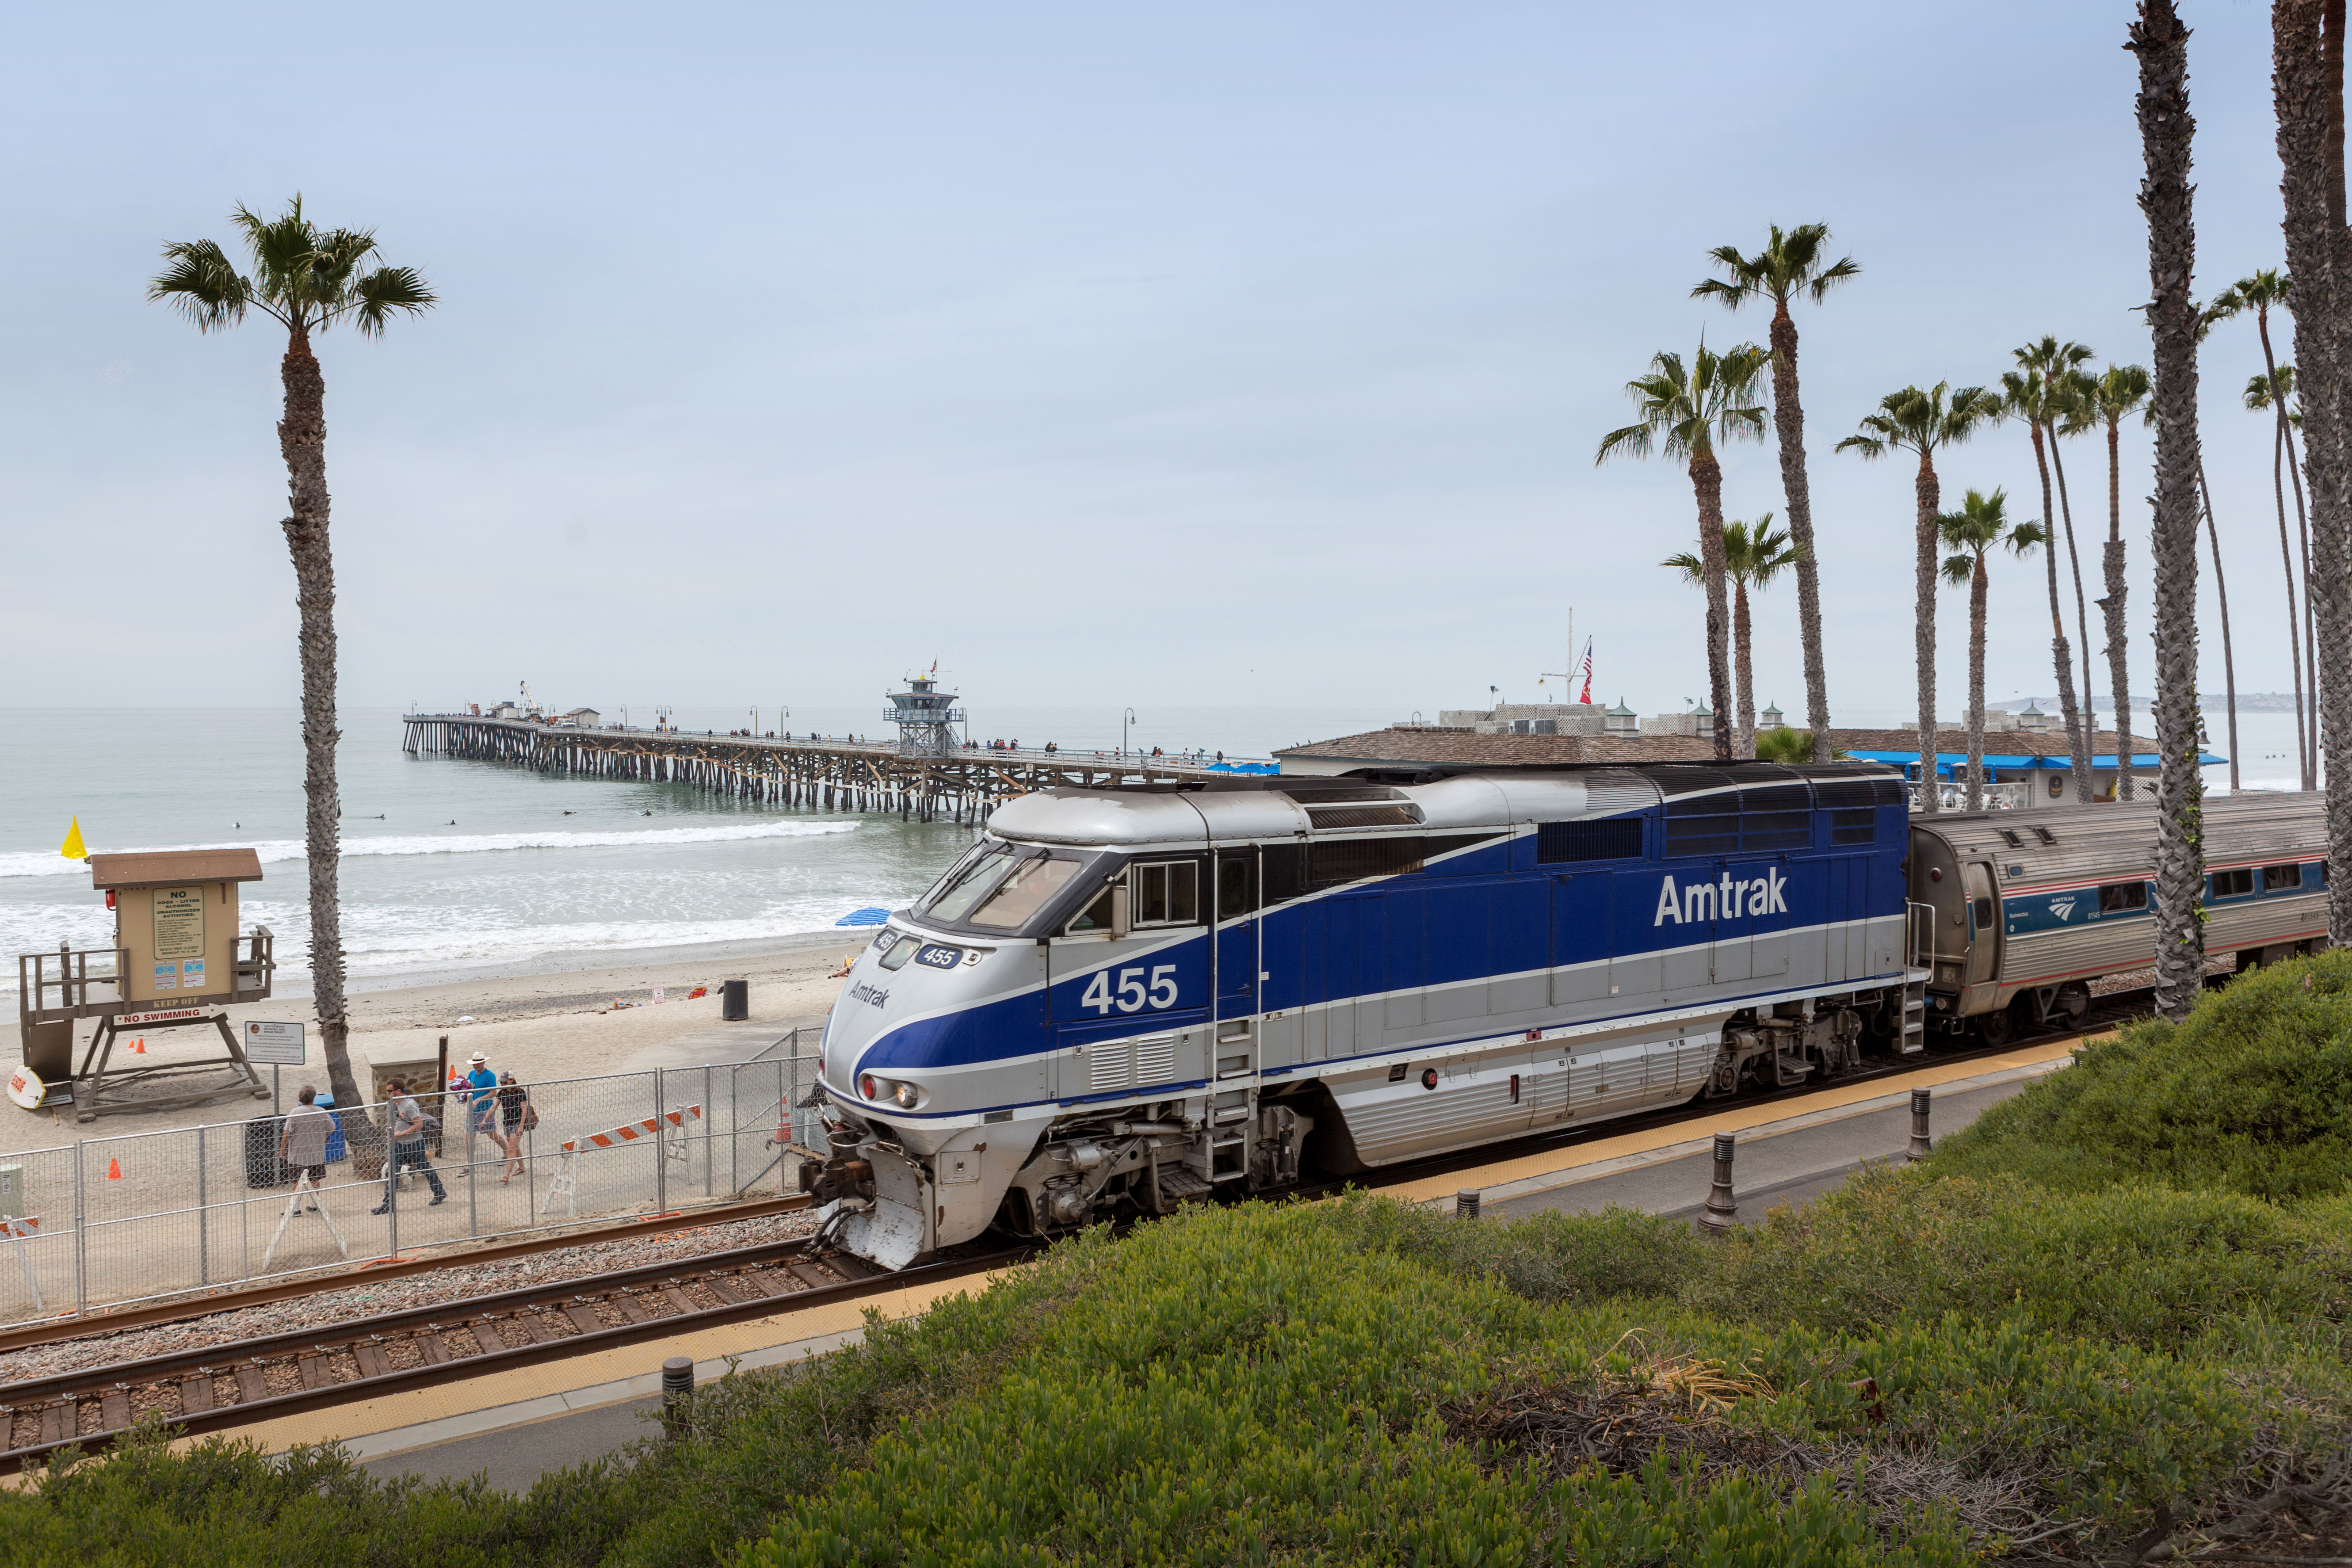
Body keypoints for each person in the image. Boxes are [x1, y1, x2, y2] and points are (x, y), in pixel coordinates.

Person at [371, 1078, 447, 1213]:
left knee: (424, 1168)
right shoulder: (392, 1104)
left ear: (398, 1091)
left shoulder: (410, 1105)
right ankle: (387, 1205)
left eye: (390, 1091)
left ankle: (439, 1193)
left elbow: (419, 1125)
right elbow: (392, 1122)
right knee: (393, 1172)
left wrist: (402, 1133)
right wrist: (394, 1132)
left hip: (414, 1143)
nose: (387, 1093)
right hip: (398, 1144)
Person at [276, 1083, 334, 1212]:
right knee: (315, 1179)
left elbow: (287, 1134)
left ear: (300, 1098)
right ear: (314, 1097)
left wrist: (282, 1149)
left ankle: (296, 1208)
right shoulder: (322, 1111)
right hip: (317, 1153)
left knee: (297, 1181)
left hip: (298, 1154)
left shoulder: (295, 1113)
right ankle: (314, 1205)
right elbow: (331, 1128)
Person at [494, 1072, 535, 1183]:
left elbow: (525, 1110)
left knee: (511, 1149)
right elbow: (494, 1106)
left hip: (517, 1123)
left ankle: (506, 1175)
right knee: (515, 1147)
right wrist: (485, 1119)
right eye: (501, 1083)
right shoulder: (502, 1092)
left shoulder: (520, 1092)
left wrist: (521, 1126)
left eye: (505, 1082)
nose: (503, 1085)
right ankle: (521, 1167)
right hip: (507, 1123)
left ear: (512, 1080)